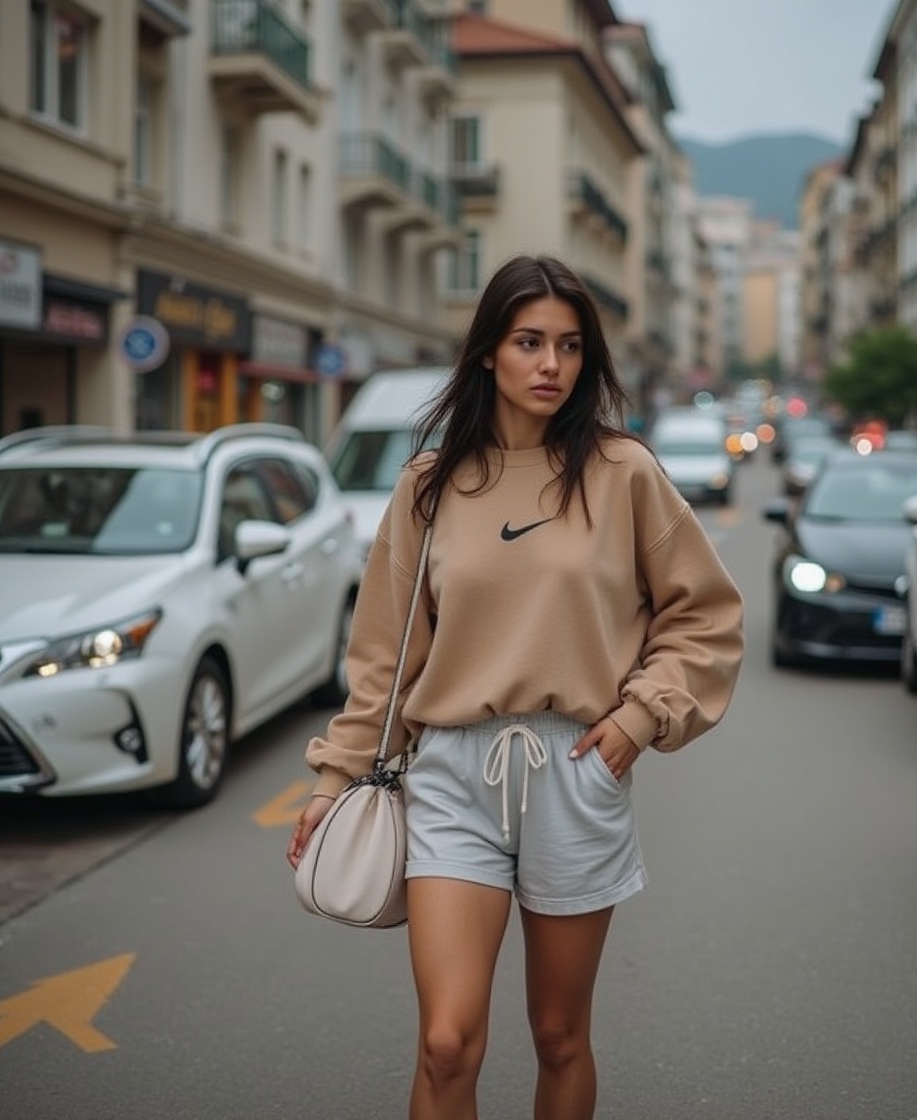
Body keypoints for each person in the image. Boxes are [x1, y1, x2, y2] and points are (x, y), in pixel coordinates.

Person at [287, 254, 744, 1120]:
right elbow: (384, 658)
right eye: (529, 341)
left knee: (558, 1035)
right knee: (447, 1043)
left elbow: (706, 616)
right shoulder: (428, 485)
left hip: (576, 770)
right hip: (451, 776)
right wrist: (334, 776)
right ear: (488, 352)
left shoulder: (625, 474)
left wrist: (638, 721)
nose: (551, 365)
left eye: (570, 347)